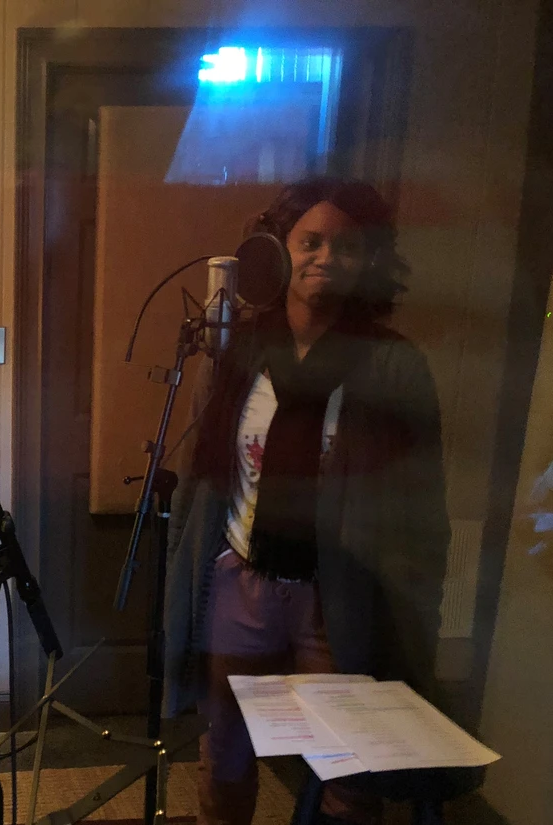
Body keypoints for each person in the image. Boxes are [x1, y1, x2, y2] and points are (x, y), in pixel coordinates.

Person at [162, 177, 450, 825]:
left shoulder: (394, 365)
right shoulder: (237, 350)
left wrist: (416, 616)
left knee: (347, 769)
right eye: (310, 241)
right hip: (243, 581)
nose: (326, 257)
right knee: (227, 749)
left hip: (339, 593)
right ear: (279, 249)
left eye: (346, 246)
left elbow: (422, 509)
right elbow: (199, 477)